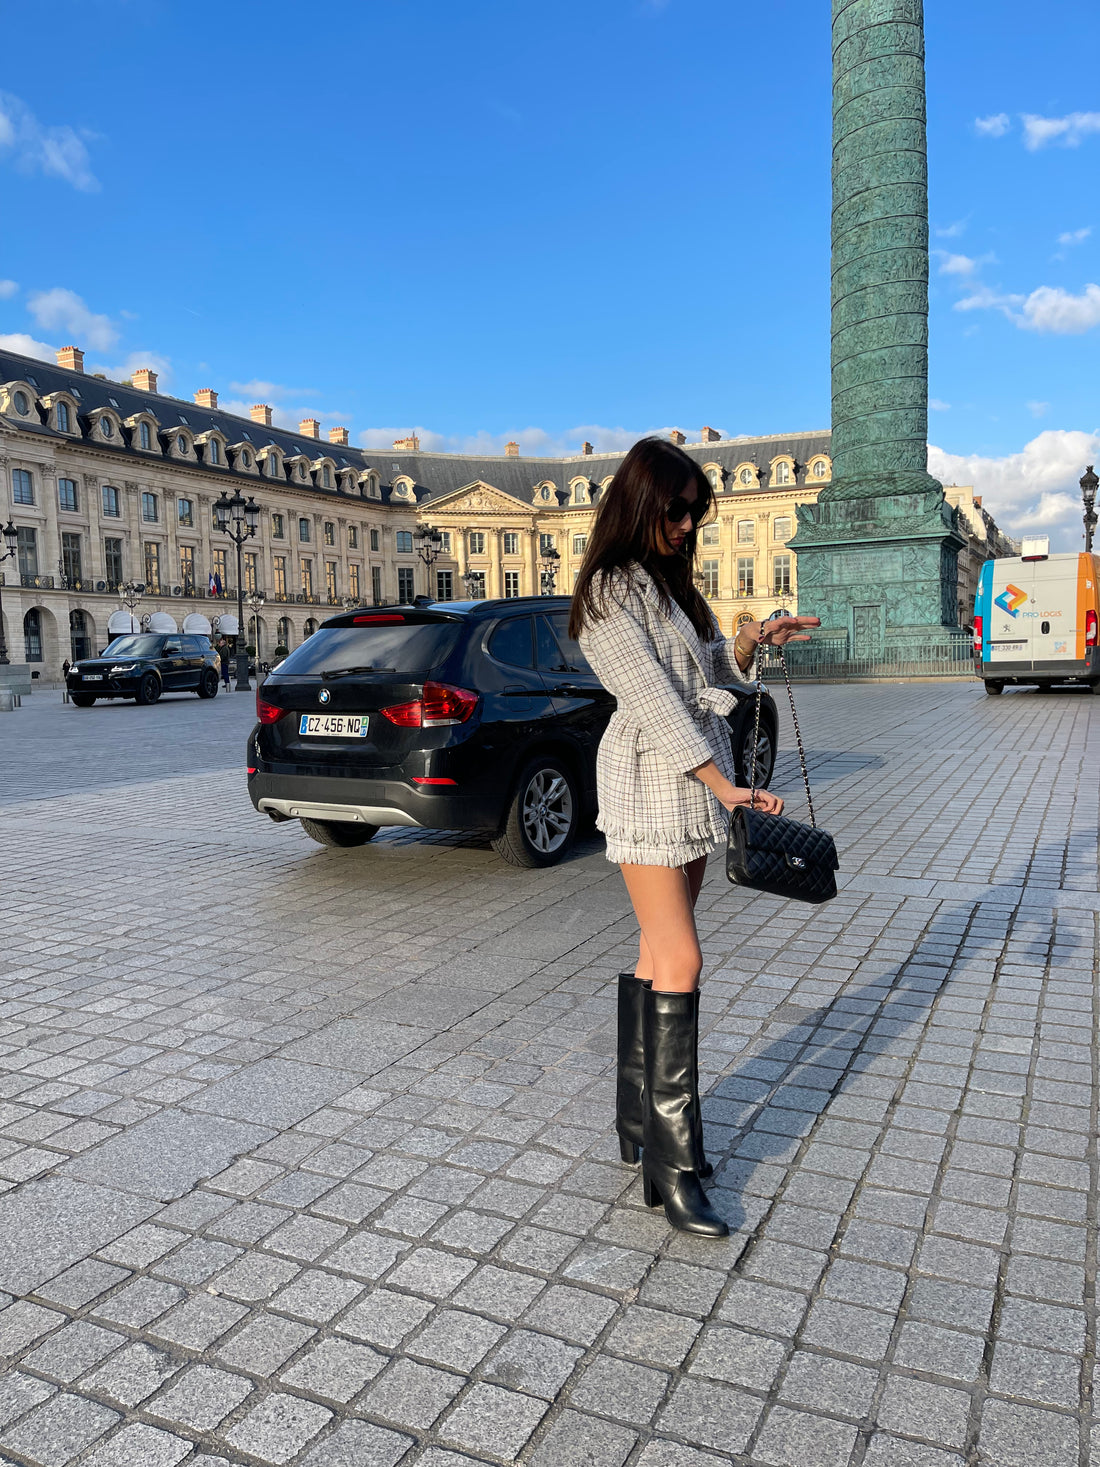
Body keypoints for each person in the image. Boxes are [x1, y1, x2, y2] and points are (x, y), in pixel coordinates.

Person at [570, 437, 818, 1236]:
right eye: (676, 511)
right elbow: (651, 698)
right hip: (650, 779)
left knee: (656, 953)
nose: (686, 525)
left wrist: (753, 640)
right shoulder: (608, 590)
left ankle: (639, 1127)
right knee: (682, 958)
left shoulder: (668, 582)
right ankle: (675, 1167)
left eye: (695, 514)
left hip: (693, 782)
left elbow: (708, 667)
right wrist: (726, 785)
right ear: (641, 502)